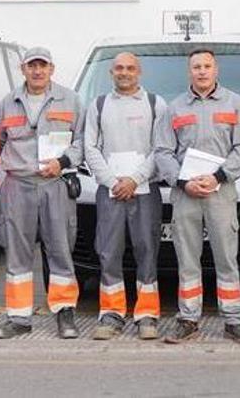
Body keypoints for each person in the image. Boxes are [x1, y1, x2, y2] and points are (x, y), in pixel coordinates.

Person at [154, 48, 240, 344]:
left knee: (226, 257)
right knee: (187, 259)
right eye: (196, 66)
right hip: (185, 194)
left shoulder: (234, 103)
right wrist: (184, 181)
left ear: (216, 69)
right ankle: (188, 319)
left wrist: (217, 177)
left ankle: (234, 319)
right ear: (190, 72)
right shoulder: (174, 108)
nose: (201, 71)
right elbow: (163, 151)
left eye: (206, 66)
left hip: (221, 192)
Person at [0, 47, 85, 340]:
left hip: (54, 184)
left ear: (51, 69)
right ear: (23, 70)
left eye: (42, 66)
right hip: (18, 185)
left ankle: (65, 312)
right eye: (31, 66)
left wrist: (62, 163)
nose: (37, 71)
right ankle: (19, 317)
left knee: (59, 248)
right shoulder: (8, 102)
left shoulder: (70, 99)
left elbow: (82, 141)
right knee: (16, 251)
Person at [83, 52, 167, 341]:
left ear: (139, 72)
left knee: (146, 250)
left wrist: (135, 179)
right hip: (110, 192)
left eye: (130, 68)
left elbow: (162, 148)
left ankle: (147, 314)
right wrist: (111, 181)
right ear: (111, 73)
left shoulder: (156, 104)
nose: (124, 72)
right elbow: (90, 147)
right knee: (108, 251)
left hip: (144, 190)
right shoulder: (98, 105)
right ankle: (112, 313)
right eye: (119, 68)